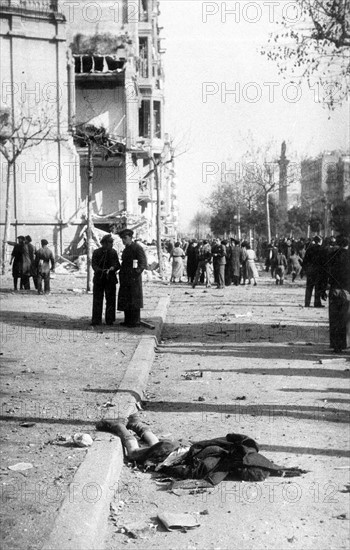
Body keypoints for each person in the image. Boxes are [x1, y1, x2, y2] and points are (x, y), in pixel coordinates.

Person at [117, 228, 148, 328]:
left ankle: (135, 321)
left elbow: (143, 263)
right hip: (125, 278)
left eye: (125, 238)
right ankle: (127, 320)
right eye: (122, 238)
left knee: (134, 299)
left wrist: (136, 273)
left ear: (130, 237)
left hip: (134, 279)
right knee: (126, 299)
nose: (123, 240)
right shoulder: (126, 249)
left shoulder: (137, 248)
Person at [91, 234, 121, 326]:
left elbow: (118, 265)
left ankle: (110, 320)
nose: (111, 245)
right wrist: (101, 271)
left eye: (112, 243)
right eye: (109, 243)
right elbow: (94, 265)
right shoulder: (96, 252)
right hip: (99, 279)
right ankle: (96, 320)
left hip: (110, 279)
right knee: (97, 300)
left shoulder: (113, 252)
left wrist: (113, 268)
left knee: (111, 300)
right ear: (103, 243)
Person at [327, 236, 350, 352]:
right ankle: (346, 343)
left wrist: (323, 288)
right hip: (347, 291)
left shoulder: (332, 255)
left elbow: (326, 271)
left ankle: (336, 345)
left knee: (335, 319)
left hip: (334, 289)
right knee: (346, 318)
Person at [303, 235, 324, 307]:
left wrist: (305, 270)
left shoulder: (309, 249)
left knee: (309, 287)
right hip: (319, 271)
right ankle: (317, 303)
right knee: (318, 287)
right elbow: (324, 261)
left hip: (310, 271)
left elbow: (305, 261)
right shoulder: (322, 249)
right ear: (320, 241)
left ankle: (307, 303)